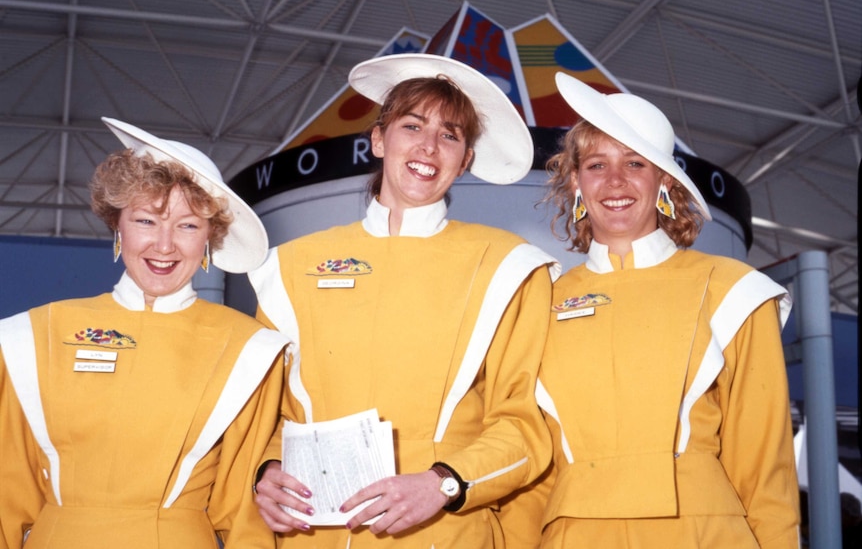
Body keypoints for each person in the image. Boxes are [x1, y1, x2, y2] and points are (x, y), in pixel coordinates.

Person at [248, 53, 559, 548]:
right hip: (315, 533)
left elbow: (526, 426)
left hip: (445, 531)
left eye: (450, 135)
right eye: (412, 126)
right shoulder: (290, 267)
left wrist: (445, 482)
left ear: (466, 161)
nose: (428, 147)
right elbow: (266, 417)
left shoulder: (509, 266)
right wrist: (265, 471)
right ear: (378, 139)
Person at [534, 73, 800, 548]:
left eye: (635, 163)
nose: (615, 181)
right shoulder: (539, 302)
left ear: (663, 181)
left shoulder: (734, 290)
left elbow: (766, 470)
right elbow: (531, 464)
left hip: (703, 534)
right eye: (597, 164)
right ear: (576, 182)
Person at [0, 118, 290, 549]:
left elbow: (245, 517)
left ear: (211, 237)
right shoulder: (31, 335)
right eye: (146, 221)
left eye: (188, 226)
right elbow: (9, 490)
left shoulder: (251, 349)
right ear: (117, 225)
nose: (165, 245)